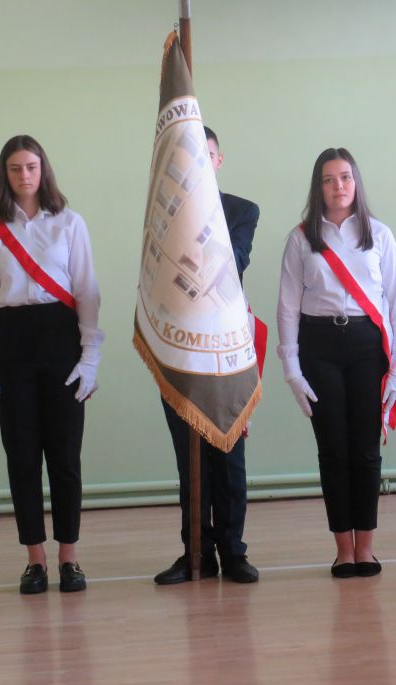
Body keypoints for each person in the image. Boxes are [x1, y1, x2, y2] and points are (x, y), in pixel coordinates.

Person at [0, 135, 103, 594]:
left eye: (31, 166)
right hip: (12, 342)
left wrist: (90, 357)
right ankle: (35, 560)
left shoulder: (70, 222)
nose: (24, 175)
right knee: (22, 456)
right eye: (15, 168)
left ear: (42, 169)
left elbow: (87, 291)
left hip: (60, 338)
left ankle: (69, 556)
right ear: (4, 174)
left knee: (65, 455)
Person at [277, 147, 396, 578]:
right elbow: (287, 308)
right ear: (318, 187)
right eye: (329, 179)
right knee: (332, 450)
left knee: (366, 450)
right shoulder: (301, 238)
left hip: (367, 346)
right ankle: (343, 550)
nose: (339, 186)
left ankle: (366, 547)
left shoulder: (380, 235)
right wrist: (292, 370)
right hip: (318, 347)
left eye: (346, 177)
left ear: (357, 183)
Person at [154, 126, 261, 585]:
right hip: (179, 350)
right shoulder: (163, 215)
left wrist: (195, 226)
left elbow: (231, 265)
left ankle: (233, 551)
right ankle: (195, 551)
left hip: (224, 352)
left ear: (217, 161)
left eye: (206, 154)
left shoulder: (242, 210)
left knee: (228, 457)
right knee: (189, 460)